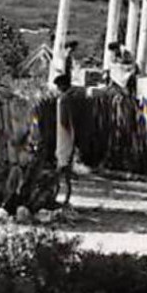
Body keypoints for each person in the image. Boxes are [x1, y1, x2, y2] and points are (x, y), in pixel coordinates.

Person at [53, 73, 77, 207]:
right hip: (66, 134)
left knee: (61, 165)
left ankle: (57, 194)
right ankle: (66, 196)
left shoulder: (63, 99)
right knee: (66, 167)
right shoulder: (67, 98)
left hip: (63, 135)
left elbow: (64, 120)